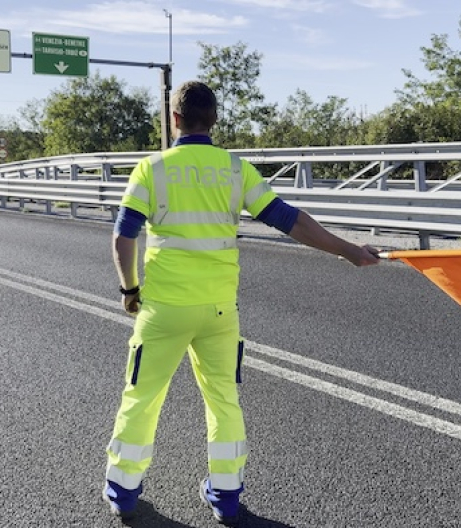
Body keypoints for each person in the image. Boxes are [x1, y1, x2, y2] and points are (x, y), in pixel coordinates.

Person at [103, 80, 380, 525]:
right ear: (214, 120)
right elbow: (290, 220)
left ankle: (123, 491)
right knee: (224, 401)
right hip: (219, 311)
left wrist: (129, 290)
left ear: (174, 119)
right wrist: (349, 251)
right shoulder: (235, 170)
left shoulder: (151, 169)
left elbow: (123, 237)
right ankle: (226, 496)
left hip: (164, 309)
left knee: (142, 397)